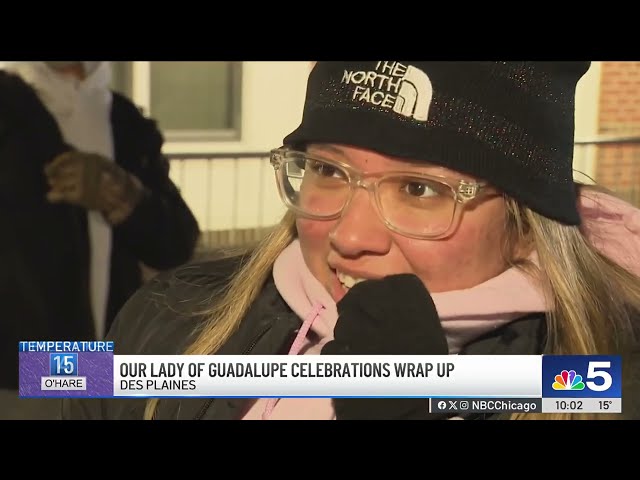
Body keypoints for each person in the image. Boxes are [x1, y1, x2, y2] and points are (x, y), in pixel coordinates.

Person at [62, 61, 640, 420]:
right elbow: (61, 380)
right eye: (330, 172)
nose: (349, 235)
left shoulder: (598, 386)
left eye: (418, 188)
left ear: (524, 223)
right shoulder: (173, 310)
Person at [0, 61, 200, 395]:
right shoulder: (8, 106)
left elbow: (176, 242)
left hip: (105, 366)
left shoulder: (125, 121)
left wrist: (122, 195)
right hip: (19, 376)